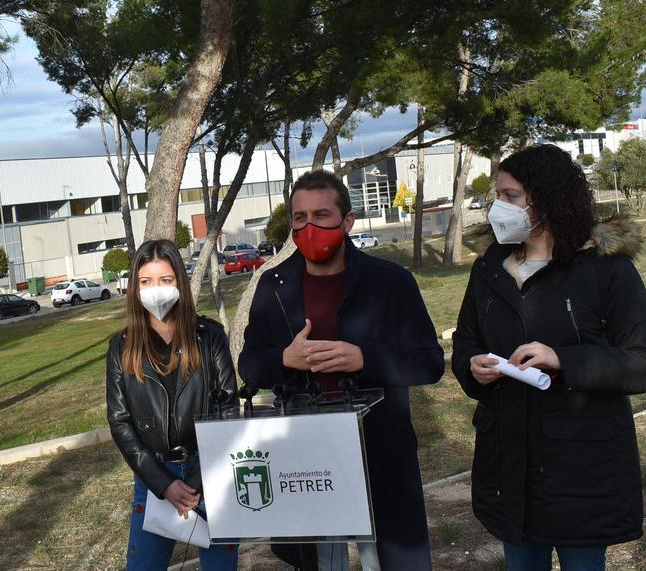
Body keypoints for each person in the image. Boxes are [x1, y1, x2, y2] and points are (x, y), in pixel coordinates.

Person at [451, 144, 646, 571]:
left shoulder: (605, 269)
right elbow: (466, 343)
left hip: (581, 469)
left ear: (546, 200)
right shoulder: (489, 266)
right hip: (507, 463)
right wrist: (473, 366)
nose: (498, 207)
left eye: (510, 196)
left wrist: (563, 360)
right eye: (497, 196)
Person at [238, 169, 445, 571]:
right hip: (304, 452)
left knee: (390, 556)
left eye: (322, 215)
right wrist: (284, 359)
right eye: (299, 218)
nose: (309, 226)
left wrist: (365, 359)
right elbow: (250, 364)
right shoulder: (273, 285)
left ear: (348, 221)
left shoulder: (391, 282)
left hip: (380, 446)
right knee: (316, 559)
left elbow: (429, 362)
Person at [106, 239, 240, 570]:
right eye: (146, 282)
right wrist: (164, 484)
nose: (156, 290)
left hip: (210, 472)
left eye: (165, 280)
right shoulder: (122, 348)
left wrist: (194, 482)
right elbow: (120, 422)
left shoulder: (209, 337)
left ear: (179, 280)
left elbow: (228, 411)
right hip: (154, 476)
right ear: (134, 288)